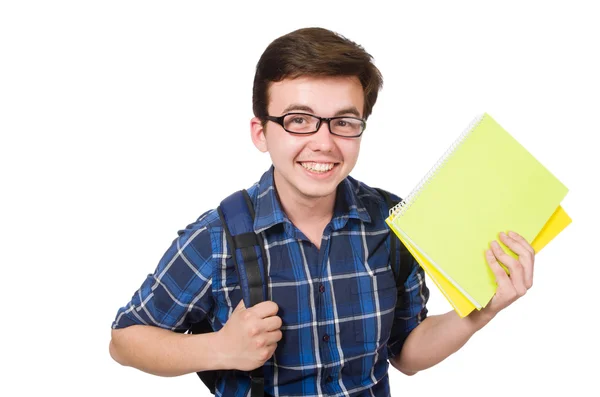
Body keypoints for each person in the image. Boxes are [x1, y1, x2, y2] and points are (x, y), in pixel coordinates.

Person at [109, 27, 536, 396]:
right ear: (261, 132)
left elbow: (406, 353)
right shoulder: (217, 237)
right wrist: (218, 349)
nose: (324, 142)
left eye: (344, 122)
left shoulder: (392, 222)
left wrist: (481, 311)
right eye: (299, 119)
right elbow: (125, 340)